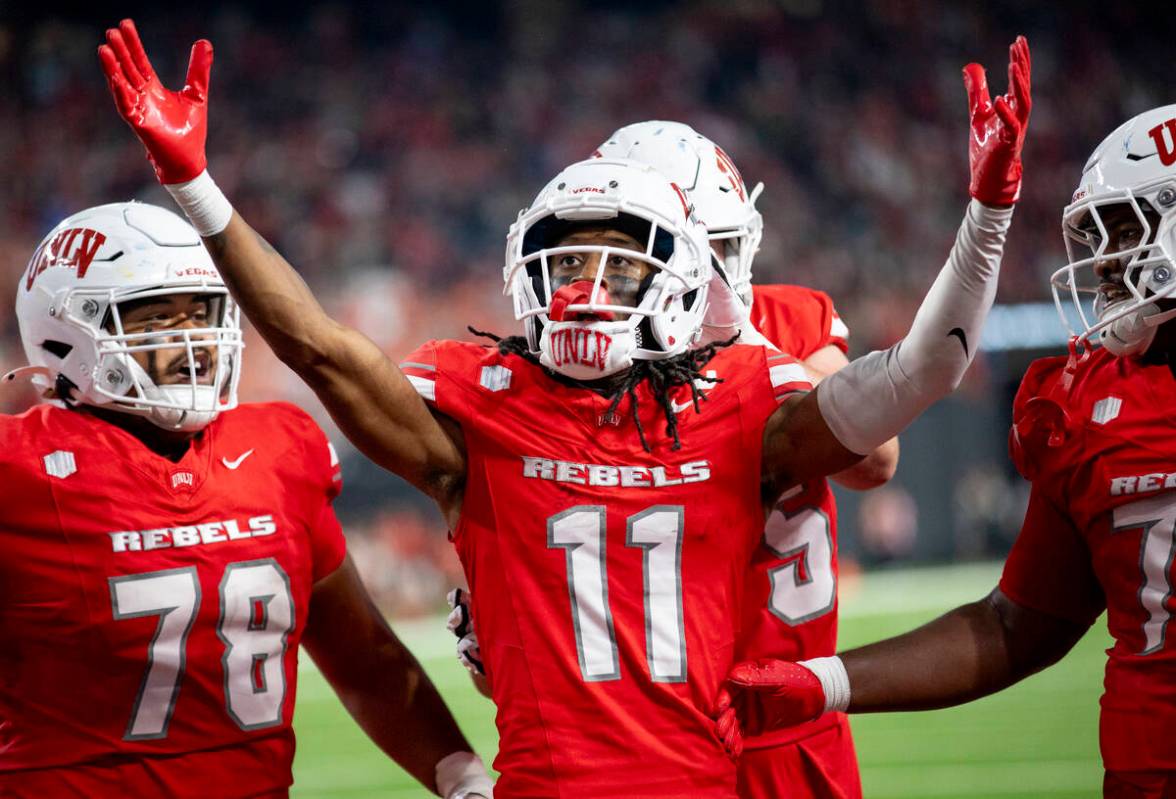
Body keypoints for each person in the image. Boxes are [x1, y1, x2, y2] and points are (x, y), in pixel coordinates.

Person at [98, 19, 1029, 797]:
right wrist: (197, 186)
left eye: (619, 262)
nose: (587, 286)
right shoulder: (486, 401)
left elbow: (917, 378)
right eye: (569, 257)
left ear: (683, 273)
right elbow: (321, 350)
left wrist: (987, 217)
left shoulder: (745, 393)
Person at [715, 105, 1176, 799]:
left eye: (1124, 233)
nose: (1104, 265)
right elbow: (1013, 625)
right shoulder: (1084, 403)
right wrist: (823, 679)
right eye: (1100, 238)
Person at [447, 120, 902, 799]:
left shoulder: (782, 321)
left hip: (790, 706)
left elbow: (877, 459)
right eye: (702, 248)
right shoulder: (579, 359)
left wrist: (740, 346)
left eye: (724, 248)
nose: (717, 272)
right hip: (661, 723)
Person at [0, 201, 492, 798]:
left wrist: (461, 777)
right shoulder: (18, 469)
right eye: (158, 319)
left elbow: (365, 661)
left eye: (201, 314)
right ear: (64, 335)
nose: (193, 342)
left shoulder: (280, 447)